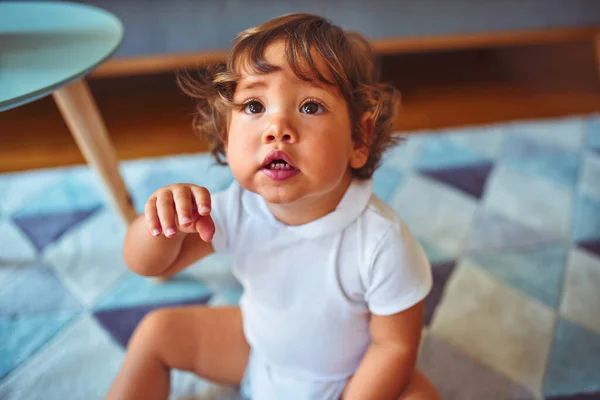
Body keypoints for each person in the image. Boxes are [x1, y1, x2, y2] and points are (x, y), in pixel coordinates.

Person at [106, 13, 440, 400]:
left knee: (419, 394)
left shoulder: (381, 239)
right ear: (226, 133)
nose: (276, 127)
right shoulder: (236, 208)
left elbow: (394, 347)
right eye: (253, 105)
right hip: (257, 355)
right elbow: (147, 264)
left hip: (352, 380)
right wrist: (161, 221)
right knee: (158, 330)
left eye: (311, 106)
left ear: (358, 139)